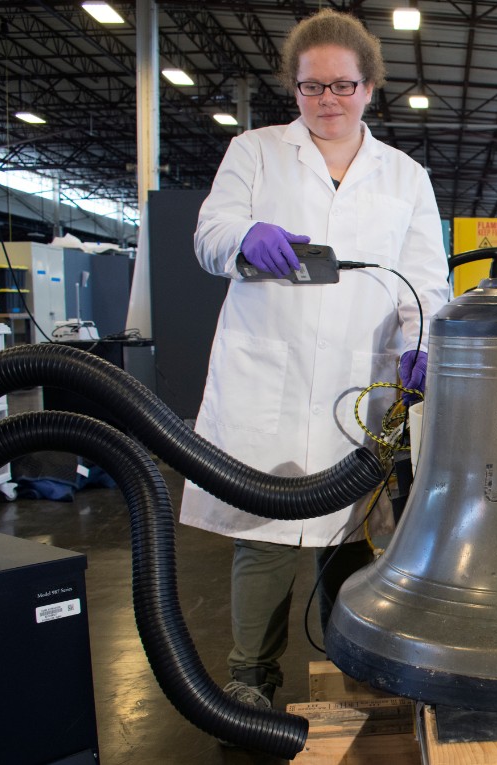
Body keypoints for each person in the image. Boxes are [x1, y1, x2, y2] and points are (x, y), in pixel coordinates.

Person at [180, 8, 451, 717]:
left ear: (370, 87)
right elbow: (210, 236)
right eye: (310, 87)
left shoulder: (405, 177)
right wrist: (246, 236)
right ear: (293, 88)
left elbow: (425, 281)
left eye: (341, 85)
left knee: (351, 541)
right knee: (264, 537)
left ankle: (350, 666)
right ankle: (251, 680)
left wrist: (420, 344)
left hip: (357, 385)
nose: (326, 100)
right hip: (267, 377)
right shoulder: (255, 152)